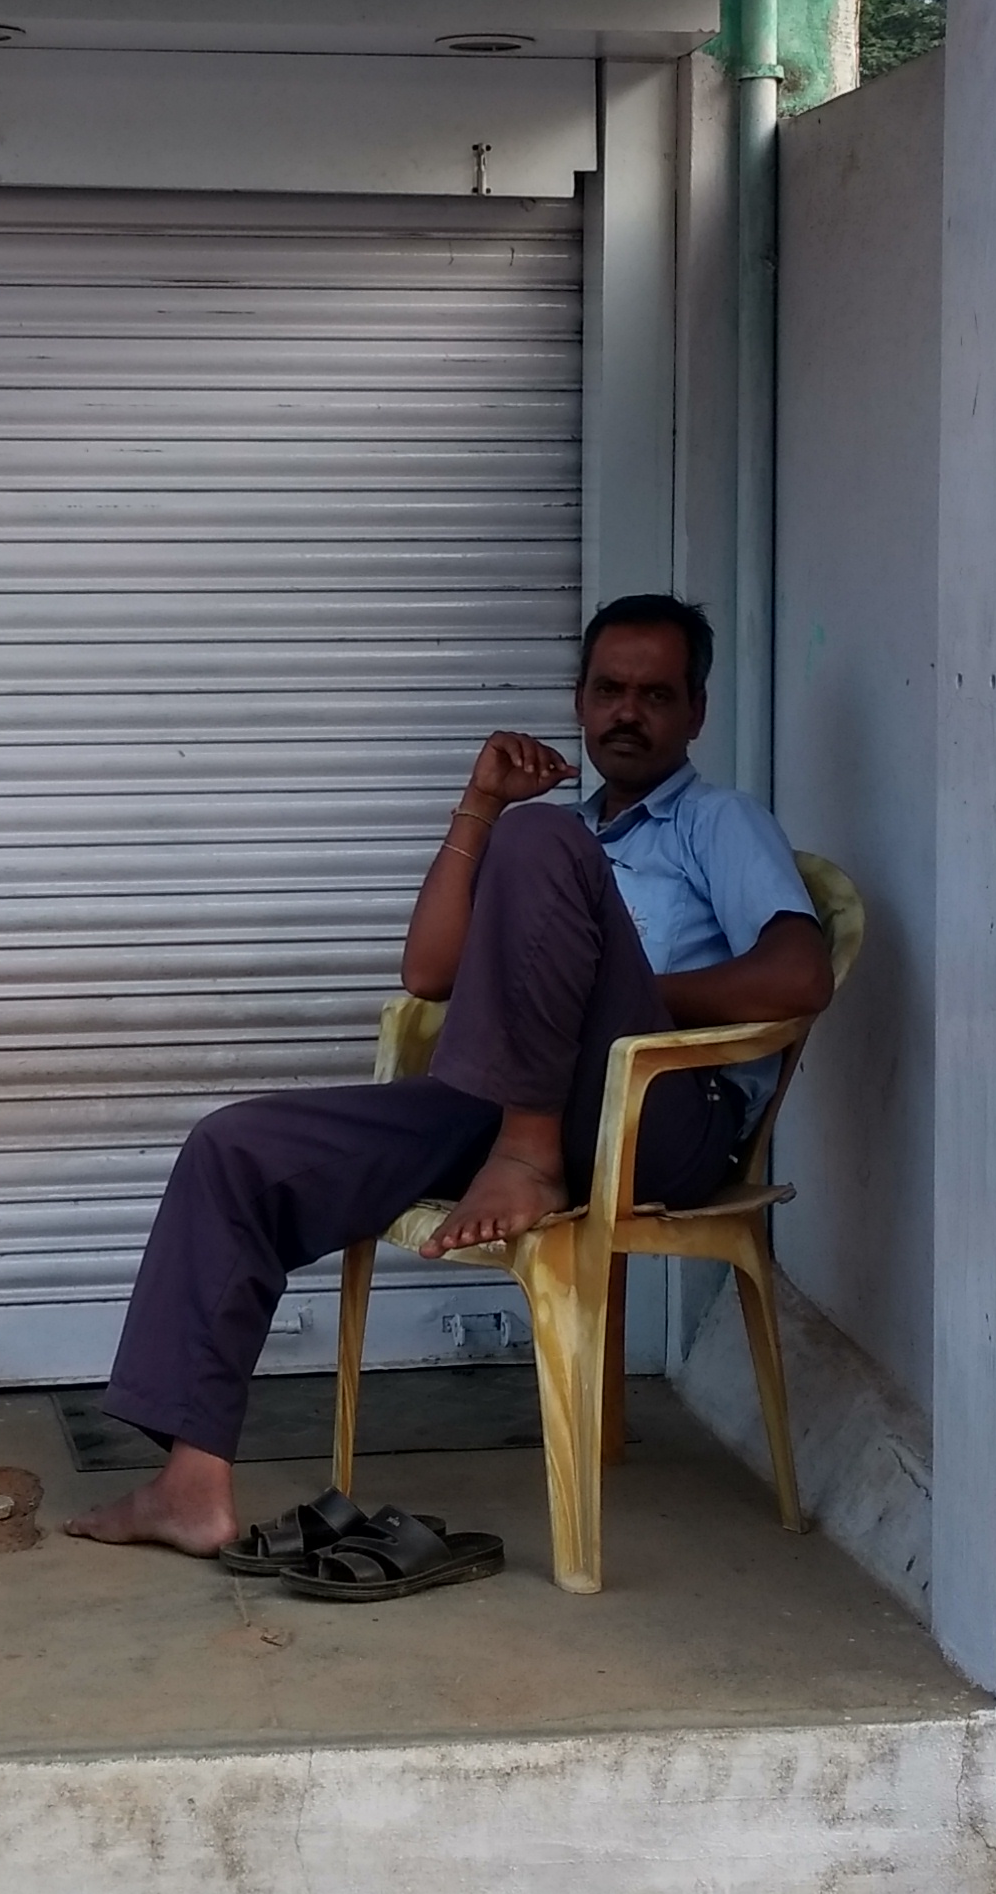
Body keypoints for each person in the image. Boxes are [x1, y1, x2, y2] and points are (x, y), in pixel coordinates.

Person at [68, 592, 834, 1557]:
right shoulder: (561, 834)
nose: (626, 712)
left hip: (658, 1122)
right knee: (237, 1148)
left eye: (654, 694)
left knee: (536, 836)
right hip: (518, 1092)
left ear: (695, 713)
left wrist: (619, 994)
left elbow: (800, 973)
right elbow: (429, 972)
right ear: (579, 698)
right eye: (607, 690)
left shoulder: (717, 822)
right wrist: (480, 805)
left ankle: (527, 1153)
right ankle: (190, 1483)